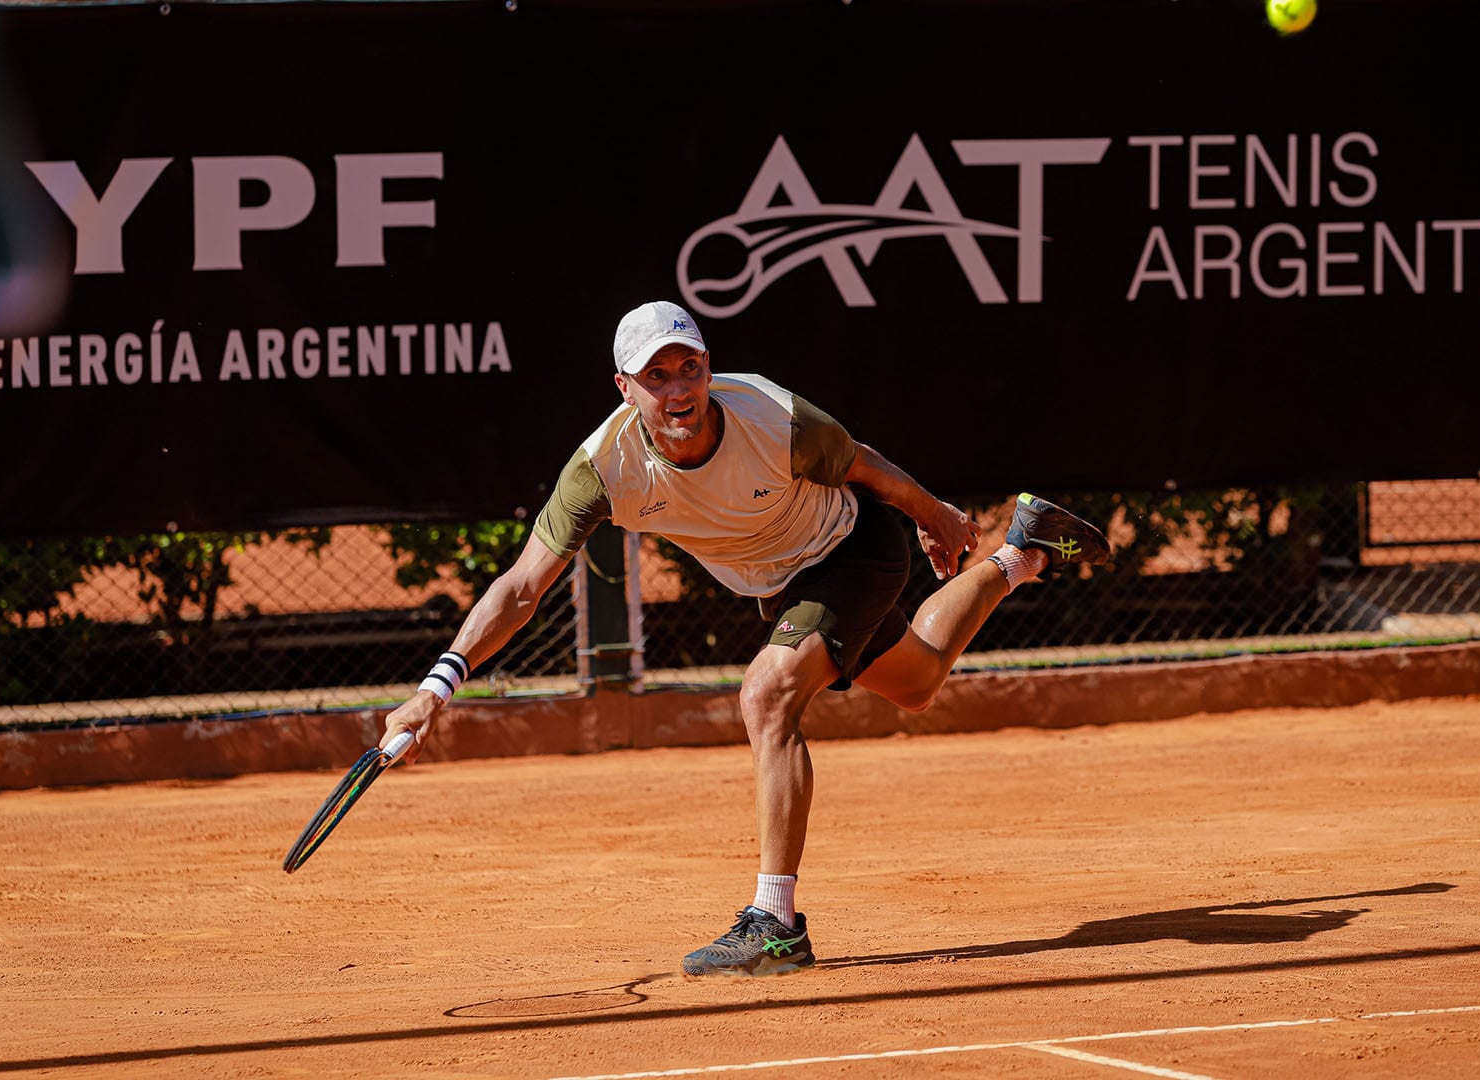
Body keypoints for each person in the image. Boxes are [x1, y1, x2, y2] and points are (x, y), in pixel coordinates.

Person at [381, 300, 1111, 977]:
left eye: (689, 368)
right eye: (656, 376)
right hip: (780, 585)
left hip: (852, 548)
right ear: (624, 389)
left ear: (708, 368)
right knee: (917, 683)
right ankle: (1025, 553)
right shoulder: (602, 470)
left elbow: (861, 462)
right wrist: (433, 690)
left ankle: (776, 924)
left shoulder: (771, 416)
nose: (678, 390)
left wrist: (934, 515)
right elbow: (521, 586)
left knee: (767, 693)